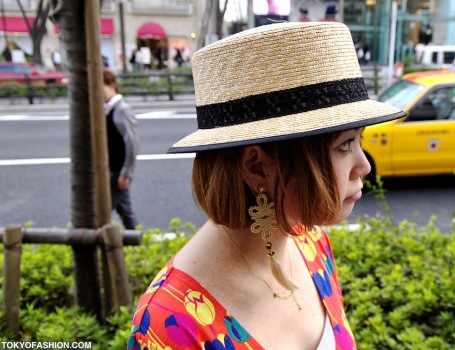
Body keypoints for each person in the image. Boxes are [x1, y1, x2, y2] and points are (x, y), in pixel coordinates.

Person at [128, 22, 405, 349]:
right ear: (256, 166)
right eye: (345, 144)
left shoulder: (309, 240)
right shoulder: (170, 325)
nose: (365, 165)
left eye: (361, 140)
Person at [103, 68, 139, 230]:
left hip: (117, 170)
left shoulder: (121, 109)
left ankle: (131, 244)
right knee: (125, 211)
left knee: (102, 212)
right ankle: (138, 245)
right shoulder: (108, 109)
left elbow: (131, 142)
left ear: (111, 85)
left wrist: (126, 172)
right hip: (113, 169)